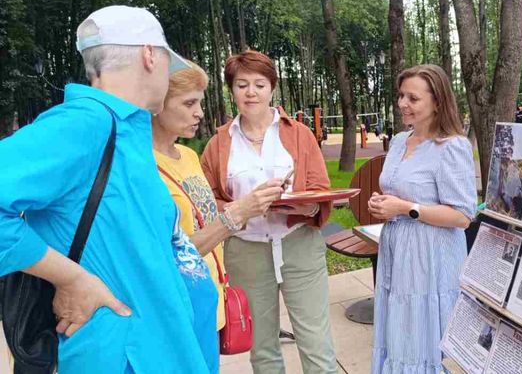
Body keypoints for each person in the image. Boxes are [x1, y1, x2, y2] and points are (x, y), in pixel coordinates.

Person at [0, 5, 216, 372]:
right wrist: (72, 278)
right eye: (168, 63)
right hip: (122, 356)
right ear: (149, 55)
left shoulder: (125, 128)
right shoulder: (86, 123)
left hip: (161, 349)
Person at [200, 50, 336, 374]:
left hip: (299, 245)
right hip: (245, 251)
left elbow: (320, 189)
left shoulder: (299, 134)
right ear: (232, 90)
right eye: (242, 85)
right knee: (262, 350)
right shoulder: (218, 144)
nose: (251, 92)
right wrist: (242, 207)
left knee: (317, 345)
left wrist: (307, 204)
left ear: (272, 88)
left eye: (259, 85)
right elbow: (206, 202)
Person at [151, 62, 286, 344]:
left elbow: (204, 216)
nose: (199, 112)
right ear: (155, 103)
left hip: (210, 294)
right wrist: (240, 212)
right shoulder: (142, 166)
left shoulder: (188, 156)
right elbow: (167, 254)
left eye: (199, 103)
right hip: (178, 306)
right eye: (189, 103)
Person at [368, 64, 477, 373]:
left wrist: (405, 208)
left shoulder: (452, 147)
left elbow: (463, 215)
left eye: (413, 98)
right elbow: (397, 191)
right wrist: (383, 202)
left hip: (431, 256)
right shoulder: (399, 141)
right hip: (396, 251)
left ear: (437, 102)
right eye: (401, 95)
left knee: (423, 334)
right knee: (400, 329)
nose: (403, 104)